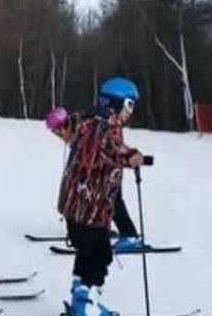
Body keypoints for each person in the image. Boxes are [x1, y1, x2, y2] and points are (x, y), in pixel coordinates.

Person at [53, 77, 145, 316]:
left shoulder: (91, 119)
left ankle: (83, 300)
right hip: (88, 208)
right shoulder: (103, 126)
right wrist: (128, 157)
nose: (130, 111)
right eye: (129, 105)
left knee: (89, 254)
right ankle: (85, 312)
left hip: (81, 207)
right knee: (100, 255)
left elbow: (102, 144)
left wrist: (129, 153)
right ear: (117, 103)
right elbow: (104, 149)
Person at [47, 107, 143, 253]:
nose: (58, 136)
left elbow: (110, 147)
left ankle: (129, 235)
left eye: (57, 132)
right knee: (90, 201)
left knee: (111, 200)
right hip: (97, 174)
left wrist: (129, 156)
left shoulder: (87, 128)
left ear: (63, 126)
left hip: (107, 173)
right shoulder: (78, 127)